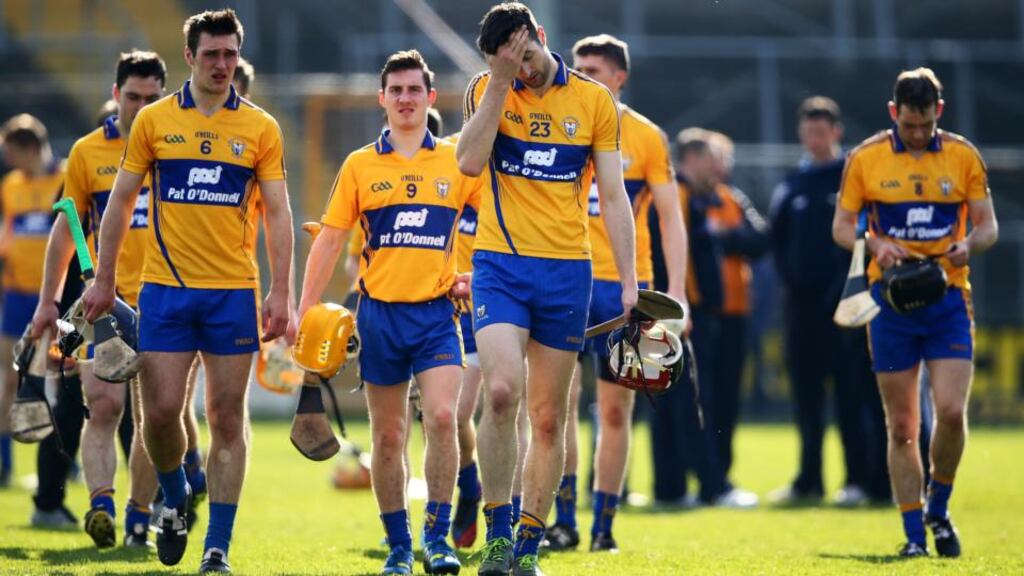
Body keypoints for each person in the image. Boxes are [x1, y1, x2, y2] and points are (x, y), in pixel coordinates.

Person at [81, 9, 294, 574]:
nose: (222, 65)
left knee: (226, 418)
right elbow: (120, 202)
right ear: (190, 57)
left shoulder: (261, 128)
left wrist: (282, 293)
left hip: (232, 293)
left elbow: (277, 213)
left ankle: (217, 547)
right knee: (161, 414)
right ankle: (174, 499)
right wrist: (104, 279)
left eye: (230, 54)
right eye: (211, 55)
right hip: (166, 293)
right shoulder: (153, 122)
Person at [457, 4, 637, 574]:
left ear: (541, 36)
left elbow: (612, 196)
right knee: (503, 391)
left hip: (565, 272)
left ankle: (530, 547)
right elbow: (466, 161)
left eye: (528, 56)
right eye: (511, 62)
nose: (525, 69)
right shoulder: (489, 88)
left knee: (550, 416)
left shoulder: (592, 100)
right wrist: (501, 82)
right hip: (500, 268)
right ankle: (498, 536)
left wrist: (630, 281)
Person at [298, 50, 481, 576]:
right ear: (382, 99)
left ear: (430, 98)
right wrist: (301, 310)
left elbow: (492, 229)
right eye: (395, 90)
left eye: (413, 90)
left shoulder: (455, 161)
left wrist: (479, 276)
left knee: (444, 419)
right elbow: (332, 240)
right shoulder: (360, 164)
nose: (405, 99)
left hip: (436, 316)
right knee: (389, 436)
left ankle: (437, 539)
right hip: (379, 317)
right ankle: (399, 547)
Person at [832, 68, 998, 557]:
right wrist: (874, 243)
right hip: (891, 306)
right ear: (893, 114)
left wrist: (970, 243)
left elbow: (988, 227)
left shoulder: (963, 156)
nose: (919, 134)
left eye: (926, 124)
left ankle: (939, 509)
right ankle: (912, 539)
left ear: (938, 113)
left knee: (949, 413)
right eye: (910, 126)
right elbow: (841, 226)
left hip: (948, 299)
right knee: (903, 424)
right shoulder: (866, 159)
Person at [545, 33, 689, 554]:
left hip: (626, 287)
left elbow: (671, 218)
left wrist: (675, 292)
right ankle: (562, 520)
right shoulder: (560, 125)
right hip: (565, 280)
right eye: (578, 68)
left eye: (595, 70)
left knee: (613, 411)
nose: (583, 76)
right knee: (556, 409)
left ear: (620, 76)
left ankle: (604, 524)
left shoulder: (647, 138)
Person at [30, 50, 167, 549]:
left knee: (155, 418)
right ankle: (102, 506)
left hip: (164, 301)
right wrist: (48, 300)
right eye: (132, 96)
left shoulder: (175, 148)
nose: (140, 106)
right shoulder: (88, 152)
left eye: (152, 98)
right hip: (103, 302)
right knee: (104, 406)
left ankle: (140, 517)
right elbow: (65, 232)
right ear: (116, 95)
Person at [770, 96, 890, 506]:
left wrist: (844, 288)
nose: (814, 139)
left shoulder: (850, 176)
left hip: (845, 306)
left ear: (836, 132)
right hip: (800, 309)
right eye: (808, 132)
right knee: (805, 396)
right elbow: (777, 240)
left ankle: (857, 479)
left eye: (821, 131)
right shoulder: (793, 182)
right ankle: (809, 479)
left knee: (850, 394)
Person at [648, 128, 757, 509]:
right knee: (692, 401)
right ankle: (713, 487)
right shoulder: (676, 194)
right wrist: (687, 305)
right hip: (681, 314)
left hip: (672, 311)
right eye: (712, 157)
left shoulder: (690, 195)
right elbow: (672, 256)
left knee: (671, 401)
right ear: (691, 158)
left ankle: (670, 487)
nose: (719, 166)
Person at [0, 114, 64, 490]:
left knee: (64, 379)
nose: (9, 161)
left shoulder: (66, 176)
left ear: (30, 148)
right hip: (18, 295)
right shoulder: (10, 187)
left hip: (57, 297)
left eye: (12, 152)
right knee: (9, 378)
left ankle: (64, 459)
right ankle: (4, 463)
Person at [705, 131, 770, 484]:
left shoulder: (734, 200)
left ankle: (722, 475)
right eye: (712, 156)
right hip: (699, 315)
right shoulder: (685, 197)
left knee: (728, 398)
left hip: (735, 312)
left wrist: (723, 237)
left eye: (721, 157)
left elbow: (760, 239)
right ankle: (700, 476)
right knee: (701, 400)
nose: (717, 164)